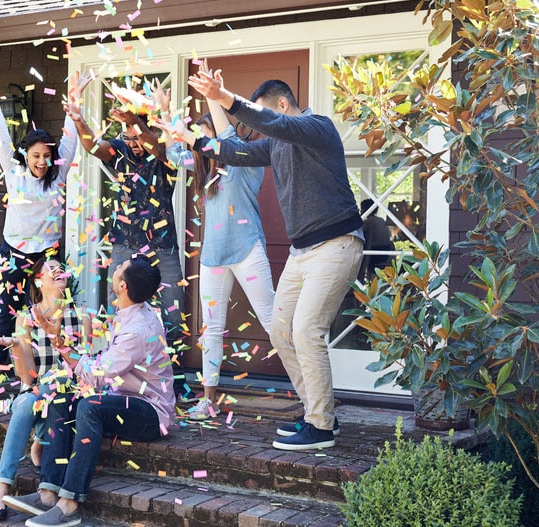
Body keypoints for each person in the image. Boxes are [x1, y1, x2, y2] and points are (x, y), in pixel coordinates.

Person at [186, 61, 363, 450]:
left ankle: (319, 426)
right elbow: (234, 153)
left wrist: (225, 98)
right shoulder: (276, 143)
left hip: (336, 244)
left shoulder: (317, 128)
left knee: (305, 330)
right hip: (303, 253)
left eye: (266, 115)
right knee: (281, 331)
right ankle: (319, 414)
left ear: (282, 105)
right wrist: (191, 137)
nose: (263, 127)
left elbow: (276, 125)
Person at [3, 253, 174, 527]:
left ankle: (69, 504)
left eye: (120, 268)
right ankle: (47, 493)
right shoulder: (129, 313)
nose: (115, 267)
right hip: (119, 399)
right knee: (61, 396)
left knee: (89, 406)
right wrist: (57, 337)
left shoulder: (137, 329)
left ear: (122, 286)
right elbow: (98, 366)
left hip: (150, 412)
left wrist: (58, 341)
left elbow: (97, 375)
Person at [62, 72, 189, 397]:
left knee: (173, 312)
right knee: (117, 309)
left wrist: (138, 122)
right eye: (127, 137)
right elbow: (93, 146)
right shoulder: (119, 149)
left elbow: (155, 144)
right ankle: (115, 373)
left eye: (135, 136)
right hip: (124, 243)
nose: (131, 144)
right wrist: (78, 118)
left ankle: (175, 378)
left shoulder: (163, 155)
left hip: (163, 246)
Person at [0, 66, 82, 402]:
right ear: (26, 156)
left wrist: (75, 98)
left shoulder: (58, 175)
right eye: (36, 156)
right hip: (15, 254)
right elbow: (0, 135)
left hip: (47, 257)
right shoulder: (13, 171)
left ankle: (60, 373)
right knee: (8, 313)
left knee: (54, 312)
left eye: (47, 156)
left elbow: (71, 138)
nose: (42, 162)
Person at [158, 87, 274, 421]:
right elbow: (173, 150)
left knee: (272, 321)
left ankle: (311, 393)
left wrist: (211, 94)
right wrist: (167, 113)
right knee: (210, 329)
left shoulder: (244, 161)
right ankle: (208, 400)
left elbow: (225, 137)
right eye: (198, 138)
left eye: (204, 136)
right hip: (212, 257)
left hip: (247, 249)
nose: (200, 142)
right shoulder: (202, 170)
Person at [0, 256, 91, 522]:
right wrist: (16, 349)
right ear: (38, 280)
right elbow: (28, 376)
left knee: (49, 398)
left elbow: (86, 364)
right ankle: (1, 489)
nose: (58, 271)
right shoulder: (25, 318)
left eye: (61, 268)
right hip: (39, 388)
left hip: (72, 390)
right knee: (23, 406)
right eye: (51, 269)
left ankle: (40, 446)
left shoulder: (81, 316)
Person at [359, 198, 394, 280]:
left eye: (361, 209)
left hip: (375, 253)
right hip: (386, 252)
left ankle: (361, 277)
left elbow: (365, 238)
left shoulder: (369, 223)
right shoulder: (381, 220)